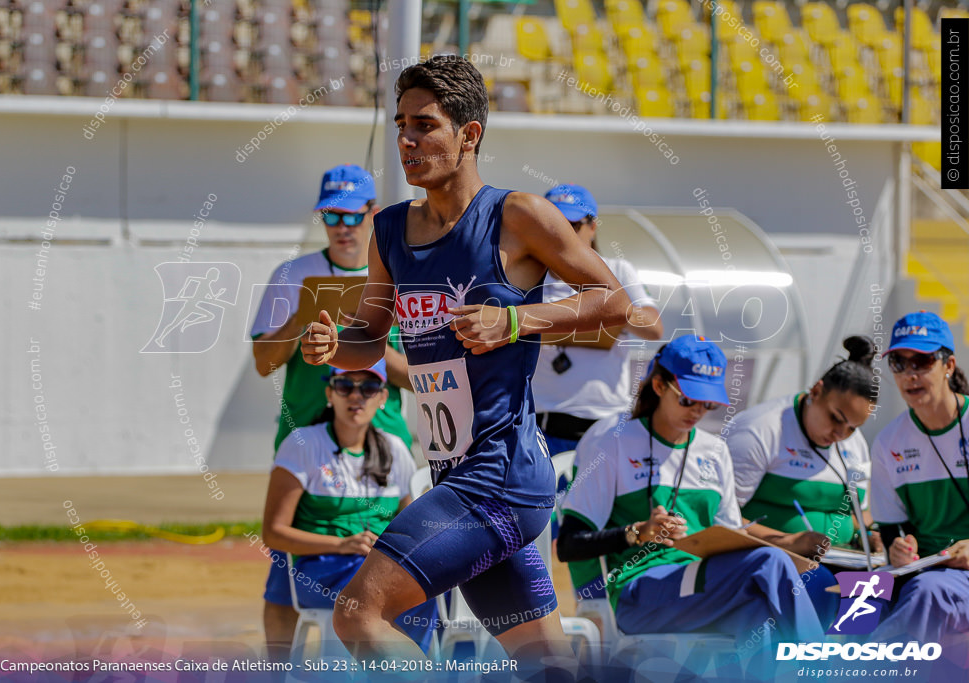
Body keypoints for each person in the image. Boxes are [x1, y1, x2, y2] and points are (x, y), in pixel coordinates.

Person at [301, 55, 633, 671]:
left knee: (359, 612)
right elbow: (370, 337)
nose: (406, 139)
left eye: (424, 124)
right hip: (456, 475)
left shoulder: (517, 216)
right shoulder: (390, 230)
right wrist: (332, 347)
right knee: (547, 666)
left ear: (469, 134)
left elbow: (617, 305)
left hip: (500, 478)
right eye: (400, 123)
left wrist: (516, 319)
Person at [557, 335, 823, 649]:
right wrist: (638, 533)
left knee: (759, 610)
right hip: (638, 591)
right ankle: (819, 666)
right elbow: (568, 547)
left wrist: (788, 541)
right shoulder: (612, 441)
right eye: (688, 399)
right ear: (658, 386)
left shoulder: (714, 450)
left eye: (708, 403)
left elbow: (731, 534)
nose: (697, 411)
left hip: (700, 585)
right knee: (770, 562)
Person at [250, 164, 413, 660]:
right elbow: (262, 362)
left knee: (394, 561)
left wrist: (363, 342)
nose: (342, 226)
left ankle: (384, 662)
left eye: (352, 215)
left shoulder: (400, 278)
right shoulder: (293, 275)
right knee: (285, 574)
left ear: (373, 214)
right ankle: (280, 669)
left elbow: (414, 375)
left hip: (382, 440)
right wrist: (301, 319)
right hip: (308, 438)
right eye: (330, 215)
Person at [261, 360, 438, 654]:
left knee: (428, 590)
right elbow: (273, 534)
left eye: (368, 388)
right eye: (345, 386)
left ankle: (408, 672)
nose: (356, 396)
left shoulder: (395, 449)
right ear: (330, 394)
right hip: (321, 569)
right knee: (381, 595)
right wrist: (341, 543)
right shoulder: (303, 445)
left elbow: (410, 526)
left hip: (377, 568)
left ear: (383, 398)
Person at [726, 336, 883, 625]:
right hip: (774, 561)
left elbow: (859, 512)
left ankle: (848, 666)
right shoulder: (759, 431)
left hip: (844, 561)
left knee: (876, 592)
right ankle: (802, 667)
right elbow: (722, 520)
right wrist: (790, 541)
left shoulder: (855, 444)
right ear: (816, 391)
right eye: (836, 418)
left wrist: (872, 535)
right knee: (819, 585)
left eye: (853, 427)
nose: (841, 434)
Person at [534, 183, 663, 457]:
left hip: (606, 424)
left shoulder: (617, 271)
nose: (561, 234)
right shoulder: (528, 276)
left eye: (571, 225)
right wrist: (594, 318)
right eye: (552, 224)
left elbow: (653, 327)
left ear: (592, 226)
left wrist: (603, 301)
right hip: (542, 424)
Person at [870, 311, 969, 643]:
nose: (910, 375)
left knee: (927, 592)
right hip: (923, 573)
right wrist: (899, 548)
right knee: (855, 597)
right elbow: (891, 529)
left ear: (949, 366)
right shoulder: (888, 442)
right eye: (899, 363)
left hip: (939, 583)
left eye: (923, 361)